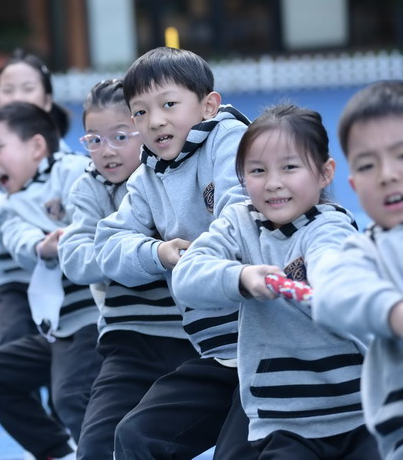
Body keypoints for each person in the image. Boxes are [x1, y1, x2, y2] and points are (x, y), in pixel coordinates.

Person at [173, 103, 377, 458]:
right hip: (282, 422)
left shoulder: (329, 225)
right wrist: (241, 277)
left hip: (358, 415)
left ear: (325, 173)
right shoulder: (237, 224)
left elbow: (329, 259)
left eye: (289, 167)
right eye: (257, 170)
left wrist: (331, 285)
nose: (273, 183)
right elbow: (187, 276)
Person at [94, 47, 254, 459]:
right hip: (218, 354)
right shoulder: (147, 176)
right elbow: (108, 245)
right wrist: (159, 253)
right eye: (141, 112)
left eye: (169, 104)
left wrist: (197, 260)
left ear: (208, 105)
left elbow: (238, 213)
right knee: (136, 436)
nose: (156, 121)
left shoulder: (230, 139)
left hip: (267, 346)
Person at [58, 79, 198, 460]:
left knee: (160, 440)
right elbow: (75, 259)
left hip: (189, 339)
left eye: (120, 136)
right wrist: (140, 252)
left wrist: (122, 253)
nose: (107, 151)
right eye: (94, 140)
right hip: (127, 340)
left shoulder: (172, 176)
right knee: (95, 448)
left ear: (143, 127)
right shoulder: (89, 188)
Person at [0, 103, 100, 460]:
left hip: (95, 318)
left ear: (37, 146)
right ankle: (59, 451)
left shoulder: (75, 170)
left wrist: (72, 236)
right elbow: (20, 243)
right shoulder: (11, 205)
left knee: (71, 396)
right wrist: (42, 247)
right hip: (62, 329)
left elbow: (94, 216)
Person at [311, 80, 403, 459]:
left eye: (401, 156)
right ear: (353, 184)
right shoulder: (363, 253)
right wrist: (393, 312)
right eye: (367, 165)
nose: (387, 174)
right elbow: (331, 295)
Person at [0, 51, 71, 344]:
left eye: (28, 88)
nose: (18, 97)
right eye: (8, 90)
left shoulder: (65, 156)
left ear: (47, 101)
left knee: (64, 346)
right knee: (14, 342)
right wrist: (20, 204)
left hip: (62, 273)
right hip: (11, 273)